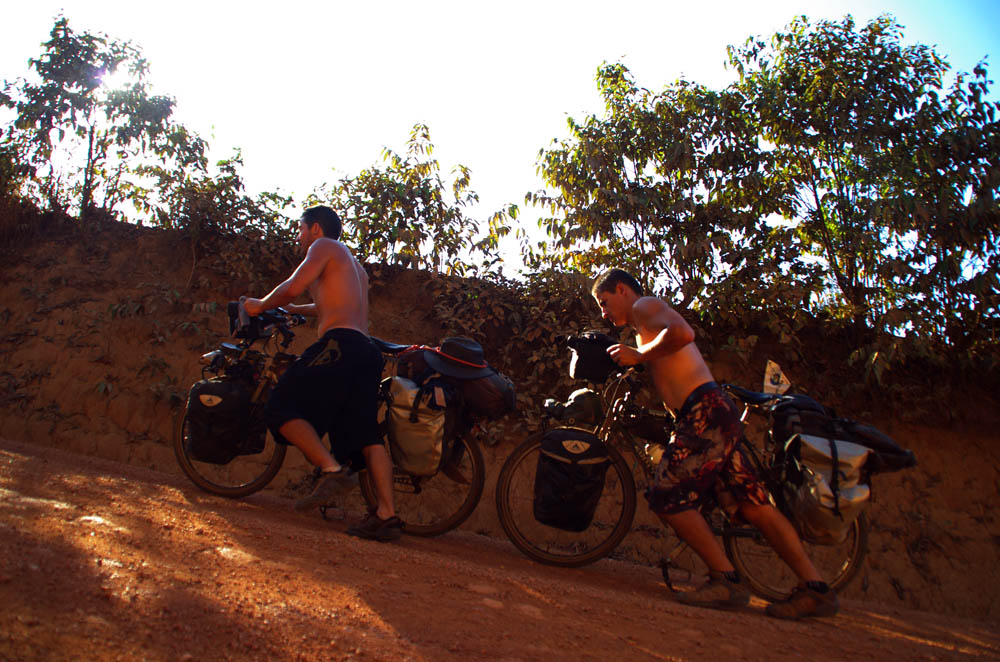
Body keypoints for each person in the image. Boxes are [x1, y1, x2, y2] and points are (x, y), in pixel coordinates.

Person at [591, 268, 838, 619]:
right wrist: (638, 359)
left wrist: (639, 356)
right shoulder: (643, 326)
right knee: (752, 505)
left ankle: (726, 580)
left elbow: (683, 333)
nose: (603, 312)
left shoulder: (644, 306)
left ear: (622, 289)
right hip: (711, 413)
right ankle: (816, 590)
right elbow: (671, 356)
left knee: (666, 495)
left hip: (704, 413)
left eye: (604, 302)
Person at [243, 205, 402, 542]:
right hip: (366, 351)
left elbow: (292, 286)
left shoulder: (323, 246)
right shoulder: (355, 267)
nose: (299, 236)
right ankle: (387, 515)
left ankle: (332, 470)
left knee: (280, 405)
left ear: (315, 228)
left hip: (339, 345)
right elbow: (330, 303)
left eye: (301, 229)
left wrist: (260, 305)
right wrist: (295, 310)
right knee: (367, 436)